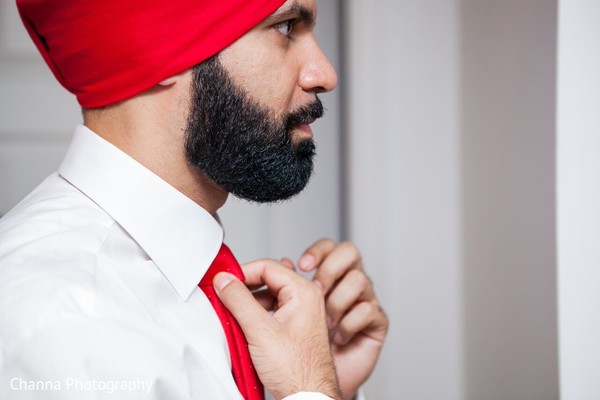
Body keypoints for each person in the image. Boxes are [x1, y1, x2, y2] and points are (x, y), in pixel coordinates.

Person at [0, 0, 388, 399]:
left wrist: (324, 384)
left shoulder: (132, 300)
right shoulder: (59, 319)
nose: (325, 75)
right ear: (156, 49)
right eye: (286, 27)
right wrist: (310, 390)